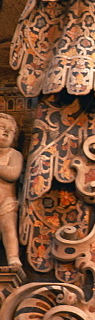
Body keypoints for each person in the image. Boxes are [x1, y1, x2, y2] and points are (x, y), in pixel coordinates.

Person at [0, 114, 23, 268]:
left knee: (9, 229)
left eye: (11, 131)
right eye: (2, 128)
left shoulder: (14, 154)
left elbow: (13, 174)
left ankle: (13, 258)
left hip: (6, 203)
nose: (6, 133)